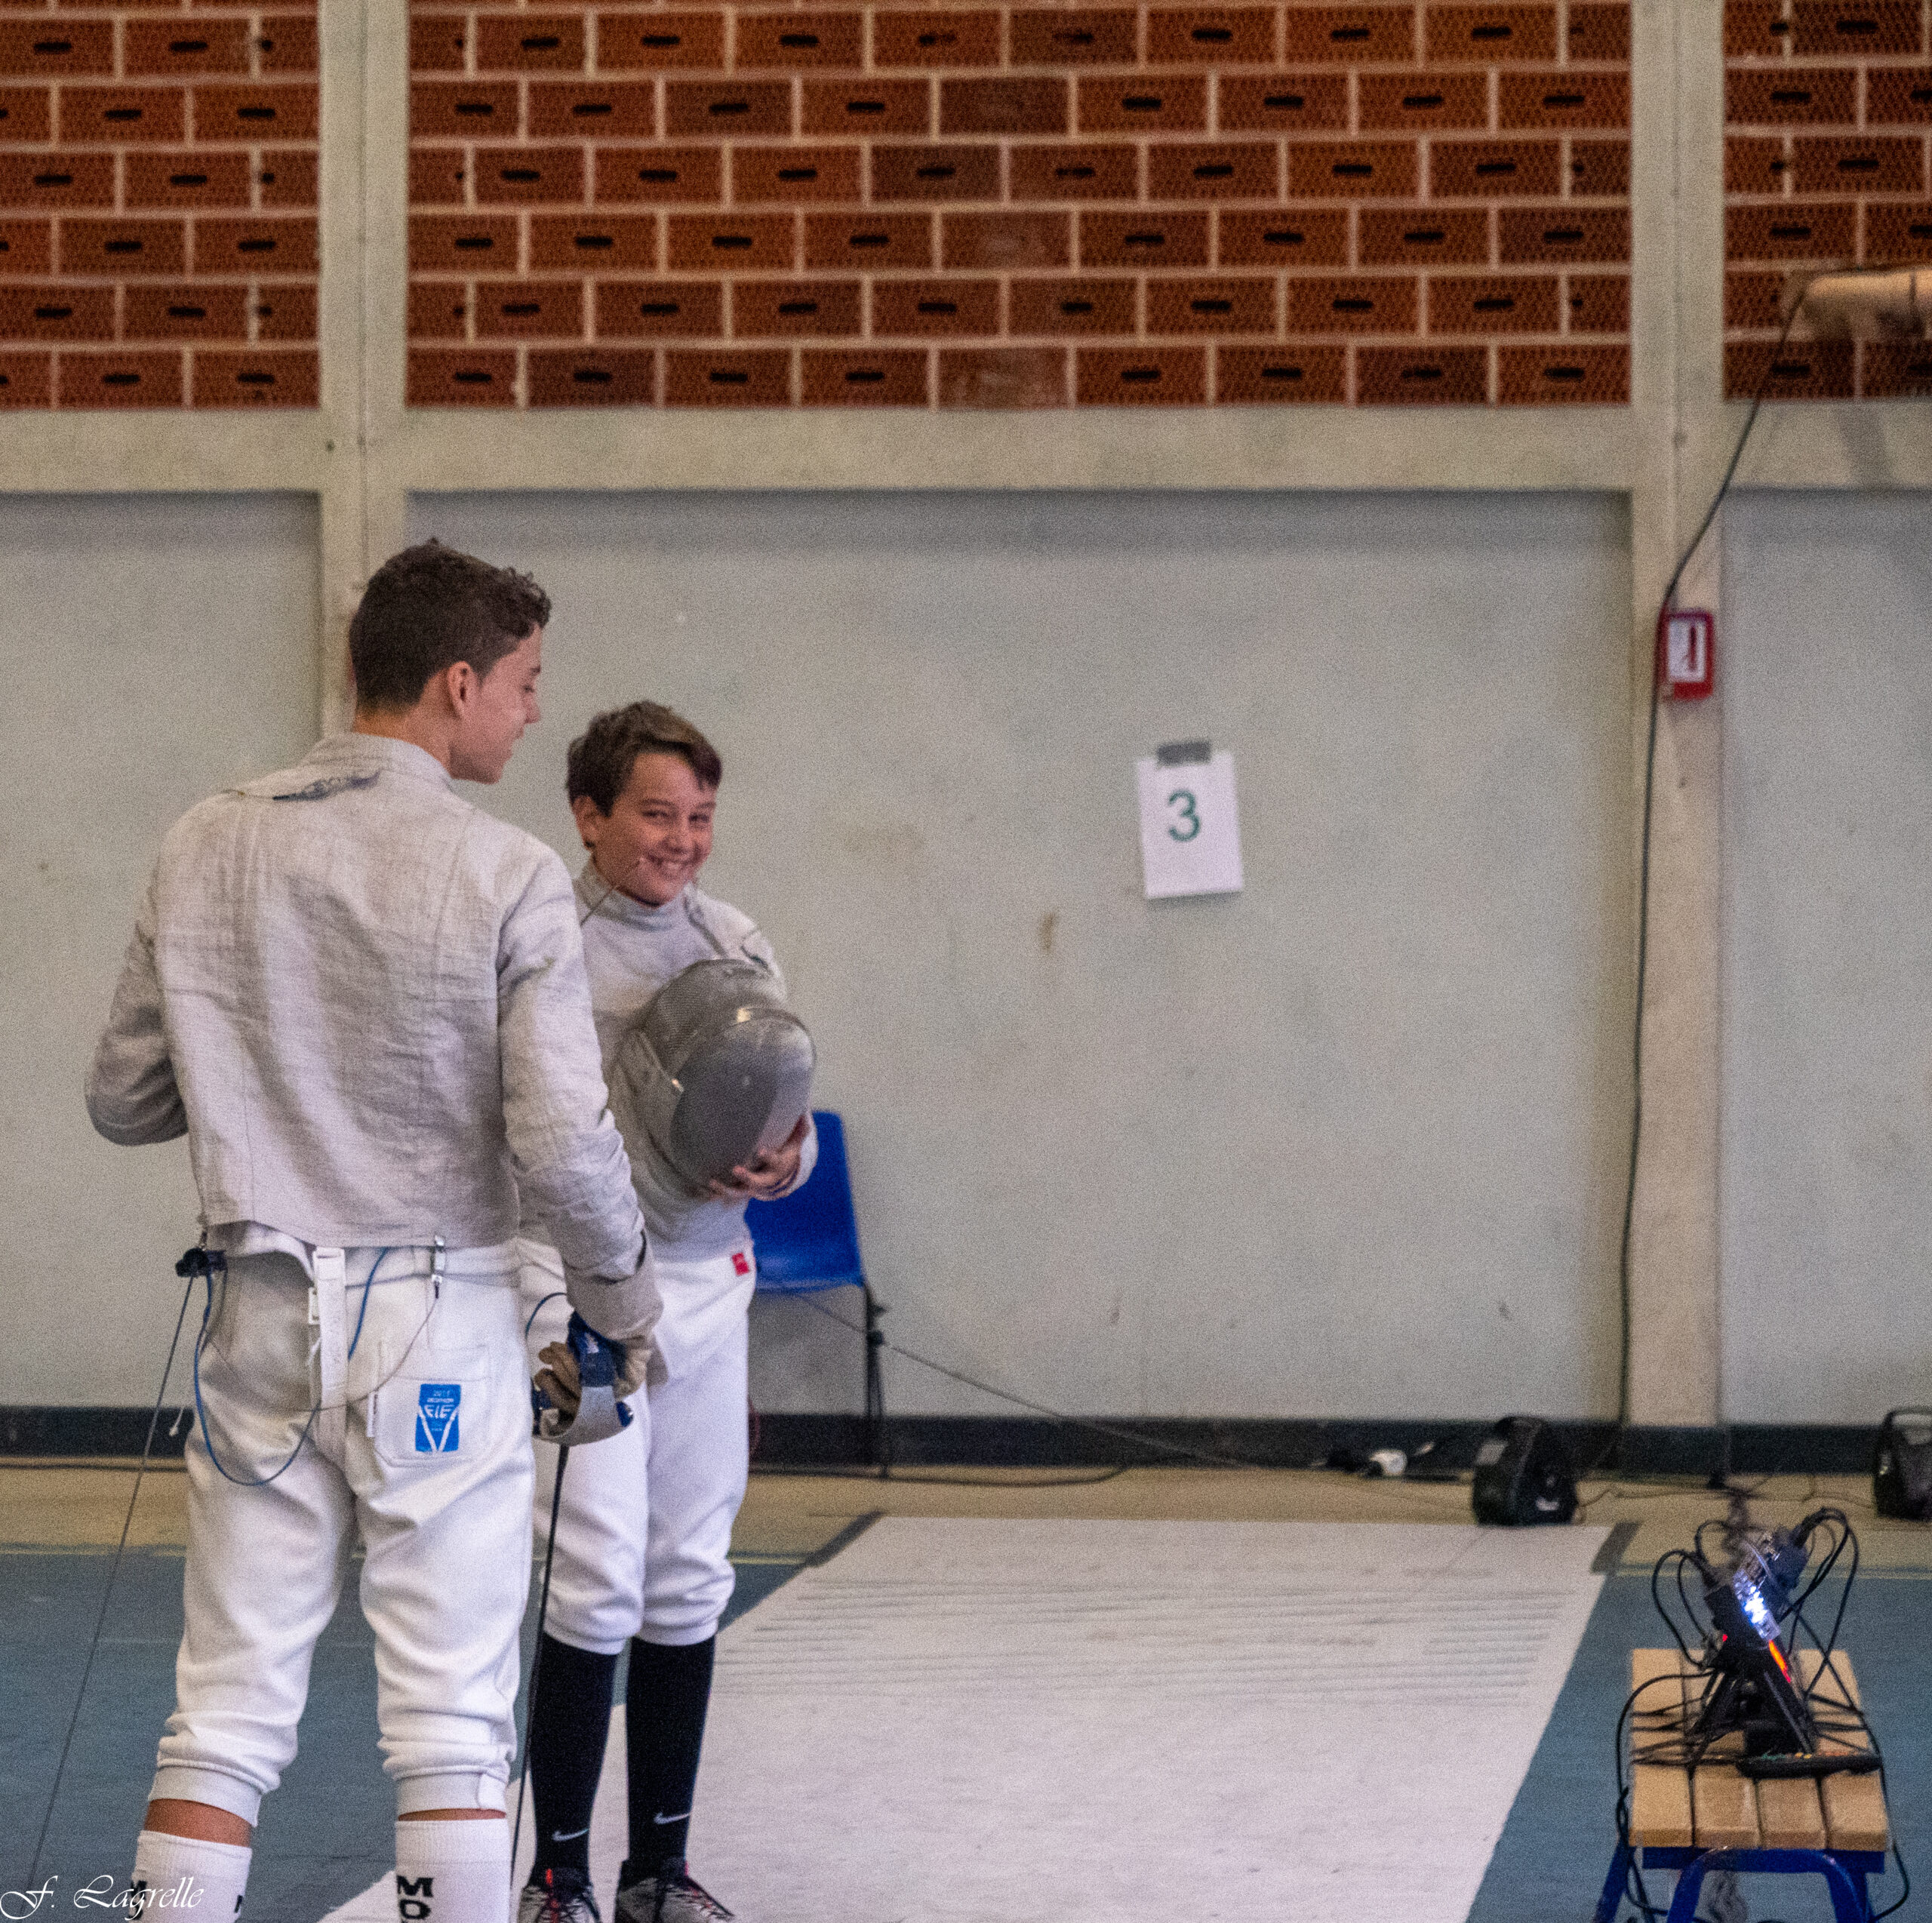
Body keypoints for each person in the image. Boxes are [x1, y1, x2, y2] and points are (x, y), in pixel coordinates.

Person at [85, 543, 658, 1923]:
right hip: (442, 1330)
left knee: (221, 1714)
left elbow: (124, 1097)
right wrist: (624, 1310)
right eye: (524, 682)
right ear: (458, 683)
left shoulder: (205, 837)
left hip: (257, 1314)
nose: (533, 709)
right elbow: (563, 1143)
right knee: (451, 1719)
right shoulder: (508, 870)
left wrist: (270, 1065)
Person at [517, 703, 815, 1923]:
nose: (682, 839)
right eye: (656, 813)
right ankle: (558, 1880)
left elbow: (783, 1117)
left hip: (706, 1282)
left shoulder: (734, 944)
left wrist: (783, 1162)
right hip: (579, 1288)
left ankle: (659, 1875)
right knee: (592, 1576)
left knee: (689, 1575)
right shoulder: (543, 939)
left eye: (699, 816)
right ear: (588, 814)